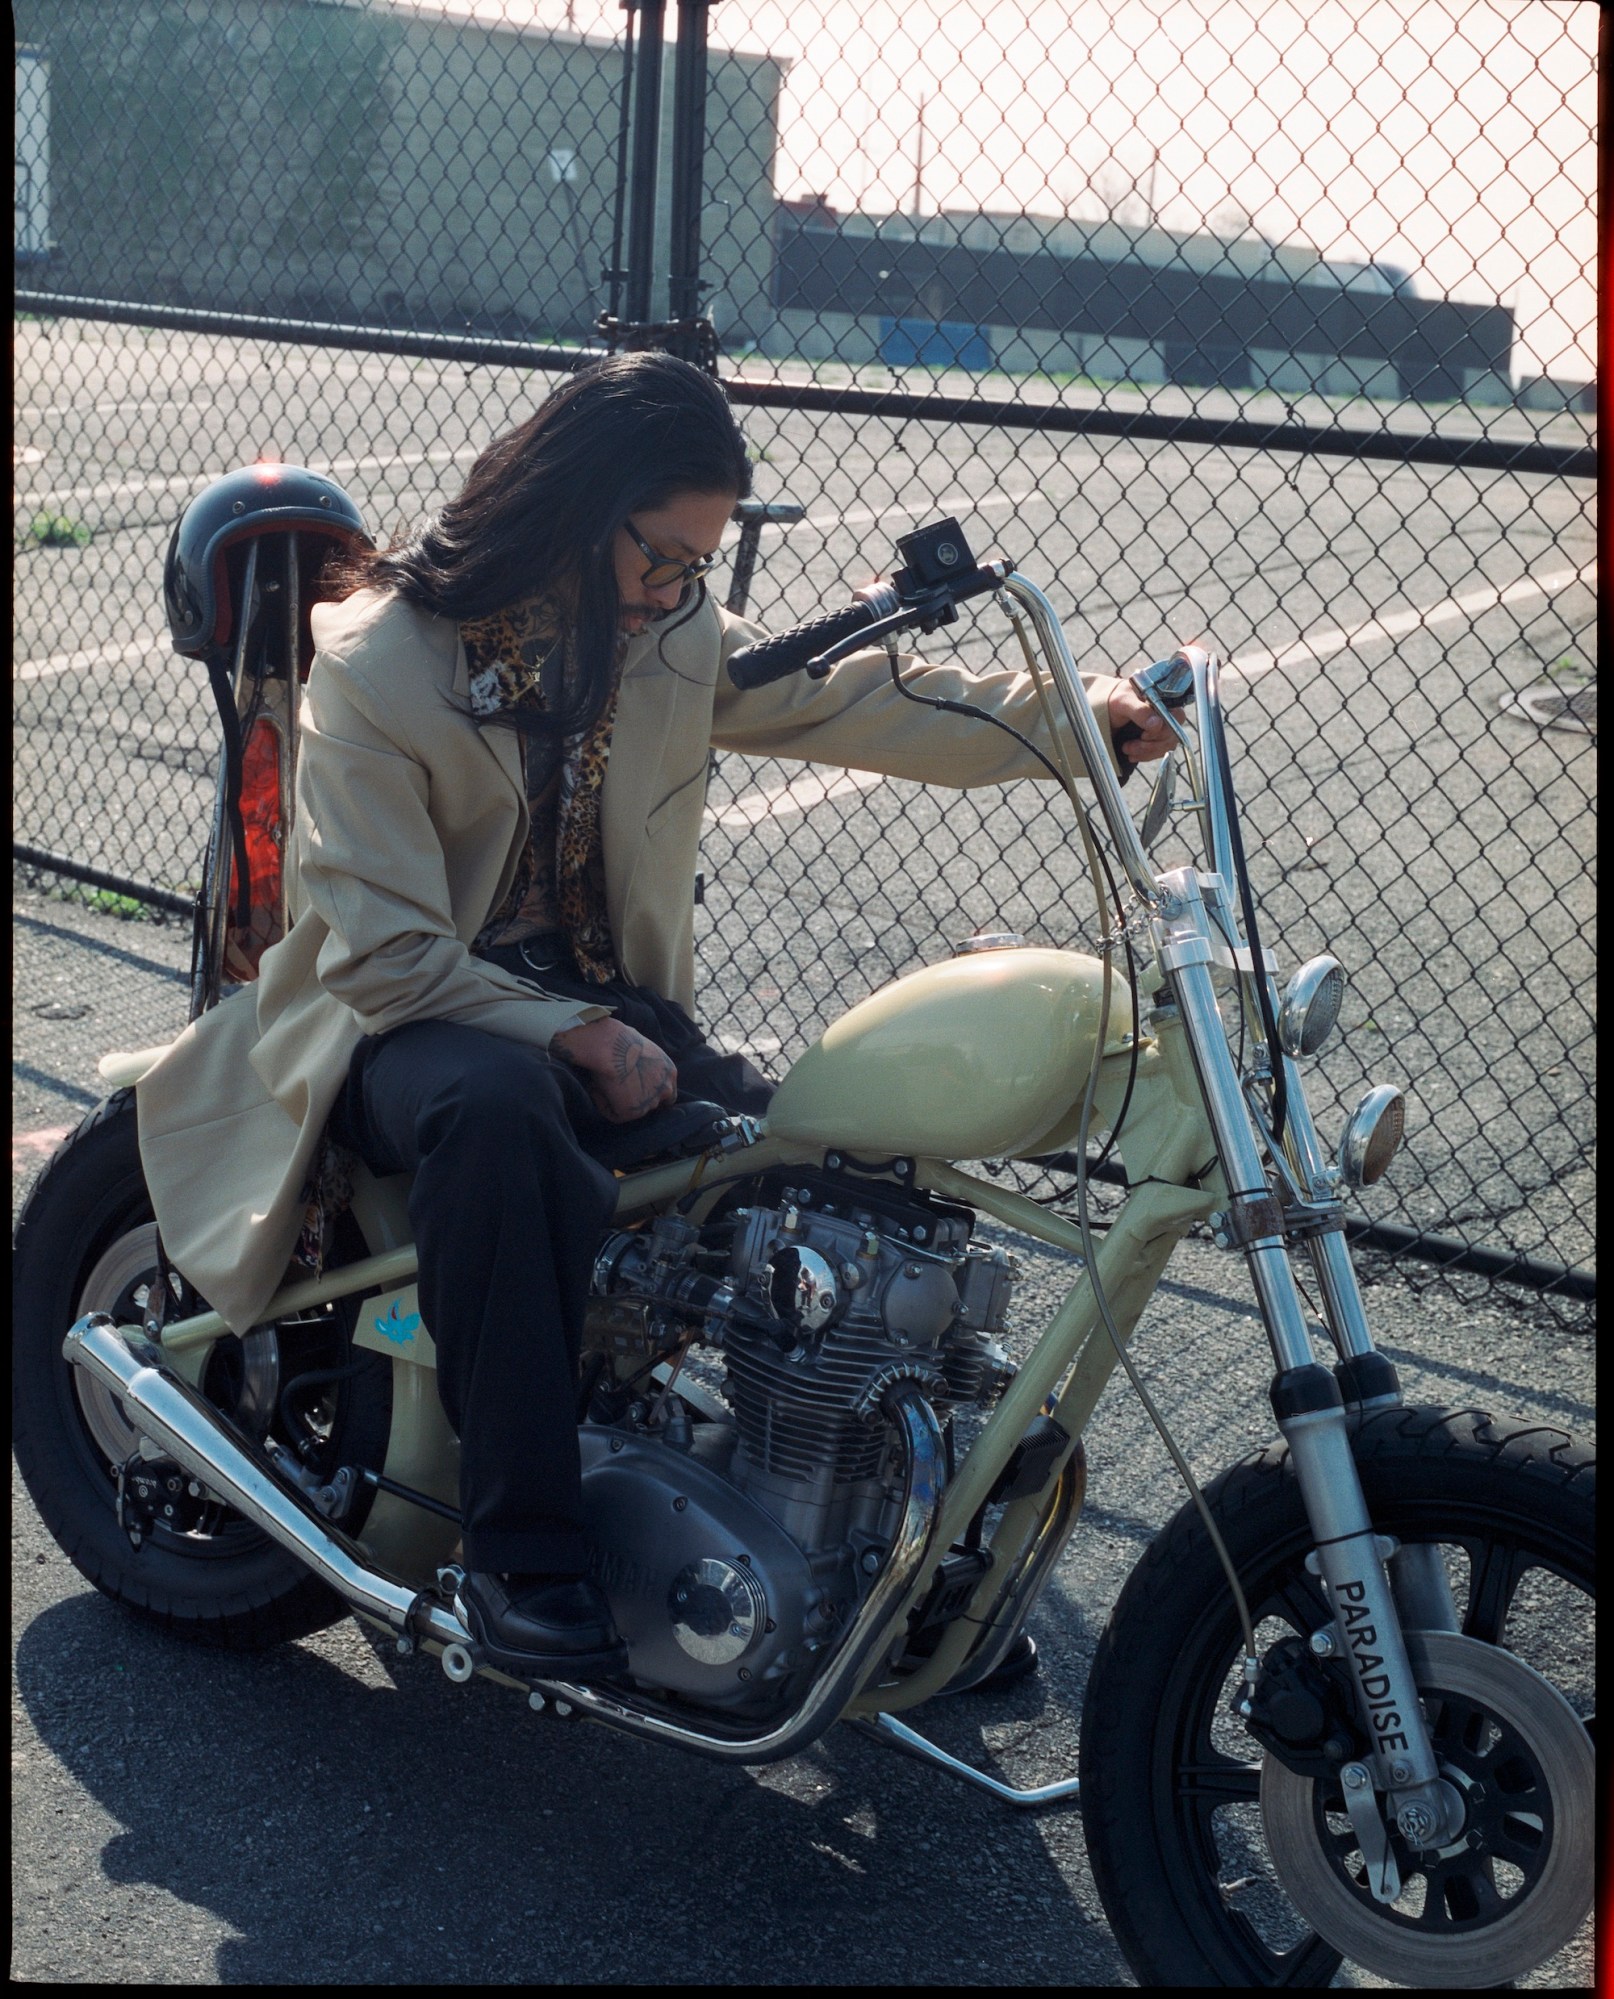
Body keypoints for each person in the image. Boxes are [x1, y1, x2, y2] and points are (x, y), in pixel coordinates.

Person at [138, 352, 1170, 1677]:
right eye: (664, 557)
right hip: (402, 1022)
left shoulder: (658, 633)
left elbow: (838, 696)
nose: (682, 591)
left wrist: (1083, 723)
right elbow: (385, 954)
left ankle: (865, 1554)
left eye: (700, 564)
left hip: (601, 1003)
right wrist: (564, 1034)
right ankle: (521, 1558)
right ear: (575, 504)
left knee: (828, 1159)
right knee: (499, 1113)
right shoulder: (383, 660)